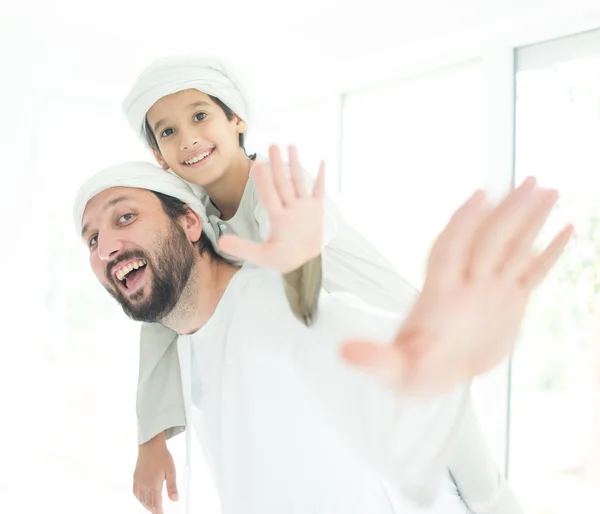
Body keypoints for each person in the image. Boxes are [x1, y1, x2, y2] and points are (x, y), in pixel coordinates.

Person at [121, 55, 529, 513]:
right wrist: (150, 439)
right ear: (158, 154)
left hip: (402, 333)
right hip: (339, 362)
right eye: (168, 131)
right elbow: (161, 312)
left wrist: (291, 250)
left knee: (482, 487)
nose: (188, 137)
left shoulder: (279, 180)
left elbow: (299, 246)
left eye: (200, 116)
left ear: (236, 118)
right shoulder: (194, 220)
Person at [74, 158, 571, 513]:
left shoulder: (277, 299)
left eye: (125, 217)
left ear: (188, 222)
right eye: (92, 239)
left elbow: (371, 364)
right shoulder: (185, 342)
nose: (106, 246)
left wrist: (428, 367)